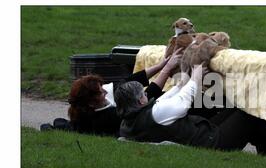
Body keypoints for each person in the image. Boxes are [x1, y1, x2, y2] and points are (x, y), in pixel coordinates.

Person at [114, 63, 266, 159]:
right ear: (140, 99)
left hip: (199, 136)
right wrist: (197, 74)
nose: (147, 95)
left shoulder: (128, 122)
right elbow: (184, 100)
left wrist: (183, 80)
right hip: (210, 143)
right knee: (250, 111)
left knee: (237, 107)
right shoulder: (156, 113)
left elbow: (168, 98)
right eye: (144, 93)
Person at [40, 48, 184, 136]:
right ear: (91, 103)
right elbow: (147, 95)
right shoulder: (108, 117)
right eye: (100, 91)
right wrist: (167, 69)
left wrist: (159, 66)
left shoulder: (83, 114)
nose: (104, 90)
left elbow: (125, 82)